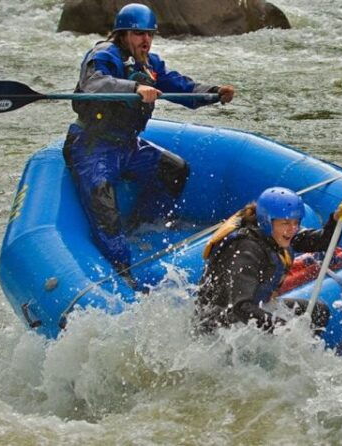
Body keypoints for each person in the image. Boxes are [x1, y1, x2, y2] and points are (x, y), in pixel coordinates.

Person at [62, 3, 236, 287]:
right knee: (104, 203)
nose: (146, 41)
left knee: (175, 170)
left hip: (128, 147)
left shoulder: (150, 64)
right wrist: (133, 88)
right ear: (122, 34)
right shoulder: (103, 55)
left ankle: (145, 226)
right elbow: (94, 83)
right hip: (92, 146)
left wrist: (213, 93)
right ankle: (120, 270)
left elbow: (180, 87)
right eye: (138, 34)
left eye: (149, 34)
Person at [194, 187, 342, 334]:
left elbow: (323, 242)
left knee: (318, 312)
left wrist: (335, 220)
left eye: (296, 223)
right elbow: (241, 307)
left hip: (255, 307)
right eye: (285, 223)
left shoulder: (279, 234)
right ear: (267, 222)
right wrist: (283, 329)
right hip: (221, 324)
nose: (292, 229)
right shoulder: (245, 250)